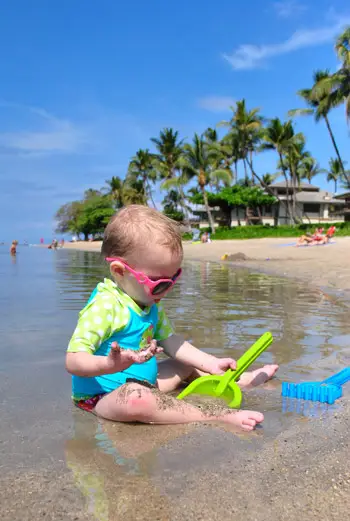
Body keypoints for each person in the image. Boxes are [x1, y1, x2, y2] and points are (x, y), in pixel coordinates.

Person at [66, 206, 278, 431]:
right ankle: (213, 415)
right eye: (160, 283)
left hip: (149, 384)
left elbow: (172, 342)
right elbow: (73, 361)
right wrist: (108, 364)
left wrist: (211, 363)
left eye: (174, 278)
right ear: (120, 271)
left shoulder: (149, 303)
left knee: (183, 363)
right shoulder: (105, 306)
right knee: (135, 398)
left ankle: (239, 380)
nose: (168, 290)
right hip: (104, 397)